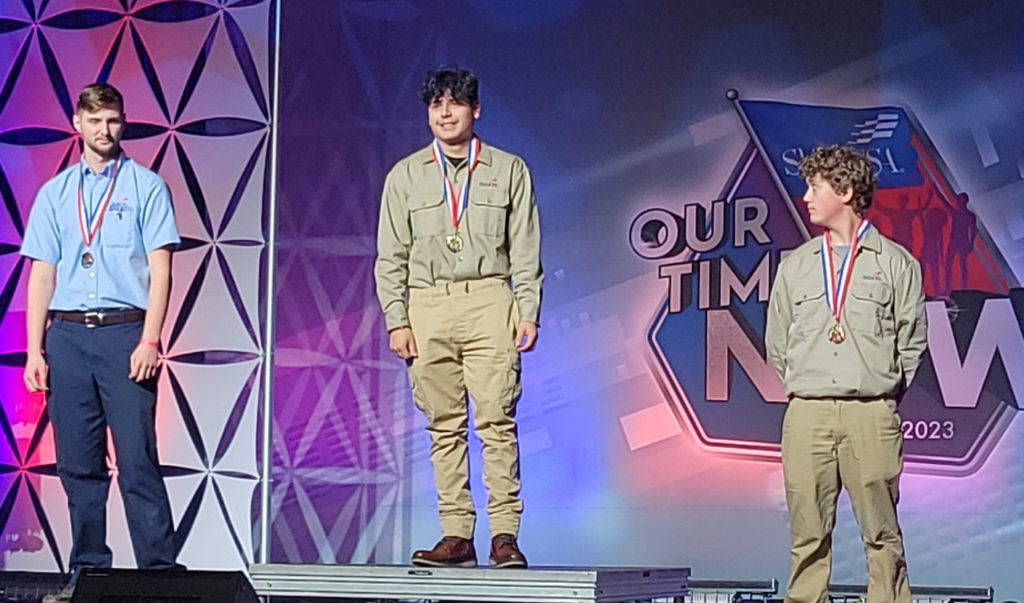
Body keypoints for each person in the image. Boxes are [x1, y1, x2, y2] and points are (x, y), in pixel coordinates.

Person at [375, 66, 542, 568]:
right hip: (427, 304)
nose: (445, 113)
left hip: (490, 298)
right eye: (435, 105)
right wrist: (396, 319)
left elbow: (526, 251)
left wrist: (527, 310)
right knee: (442, 426)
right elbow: (390, 257)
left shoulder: (508, 169)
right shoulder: (405, 175)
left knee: (497, 420)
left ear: (476, 109)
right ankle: (457, 534)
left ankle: (505, 535)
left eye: (455, 103)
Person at [21, 83, 181, 602]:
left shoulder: (146, 187)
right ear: (77, 124)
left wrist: (151, 338)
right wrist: (34, 350)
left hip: (125, 335)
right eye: (94, 122)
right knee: (79, 464)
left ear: (123, 122)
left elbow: (161, 272)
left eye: (112, 121)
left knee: (137, 459)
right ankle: (87, 570)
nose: (104, 131)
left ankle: (159, 574)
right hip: (66, 337)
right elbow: (42, 275)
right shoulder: (55, 193)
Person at [766, 145, 927, 603]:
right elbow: (778, 344)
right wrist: (811, 384)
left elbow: (911, 343)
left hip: (871, 414)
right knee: (807, 533)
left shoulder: (895, 264)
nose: (805, 198)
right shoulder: (796, 266)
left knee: (882, 533)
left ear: (845, 190)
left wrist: (880, 392)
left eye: (814, 187)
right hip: (808, 414)